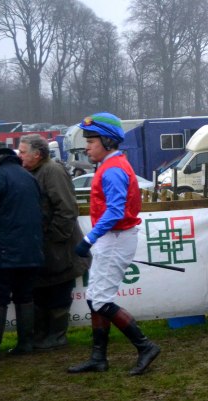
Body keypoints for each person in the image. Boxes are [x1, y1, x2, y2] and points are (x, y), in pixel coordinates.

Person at [68, 112, 160, 375]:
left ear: (107, 142)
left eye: (91, 141)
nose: (86, 147)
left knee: (99, 300)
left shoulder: (113, 169)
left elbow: (115, 211)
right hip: (114, 238)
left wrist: (89, 239)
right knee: (94, 298)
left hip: (116, 239)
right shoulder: (111, 165)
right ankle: (98, 358)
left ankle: (145, 346)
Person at [17, 135, 89, 351]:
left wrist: (54, 238)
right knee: (41, 290)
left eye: (23, 152)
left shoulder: (52, 171)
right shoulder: (33, 172)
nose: (19, 156)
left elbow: (67, 209)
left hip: (59, 246)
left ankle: (57, 336)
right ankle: (41, 336)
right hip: (43, 246)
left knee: (59, 290)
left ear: (37, 154)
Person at [0, 142, 44, 360]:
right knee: (25, 296)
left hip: (3, 251)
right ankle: (26, 343)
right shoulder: (29, 177)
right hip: (32, 249)